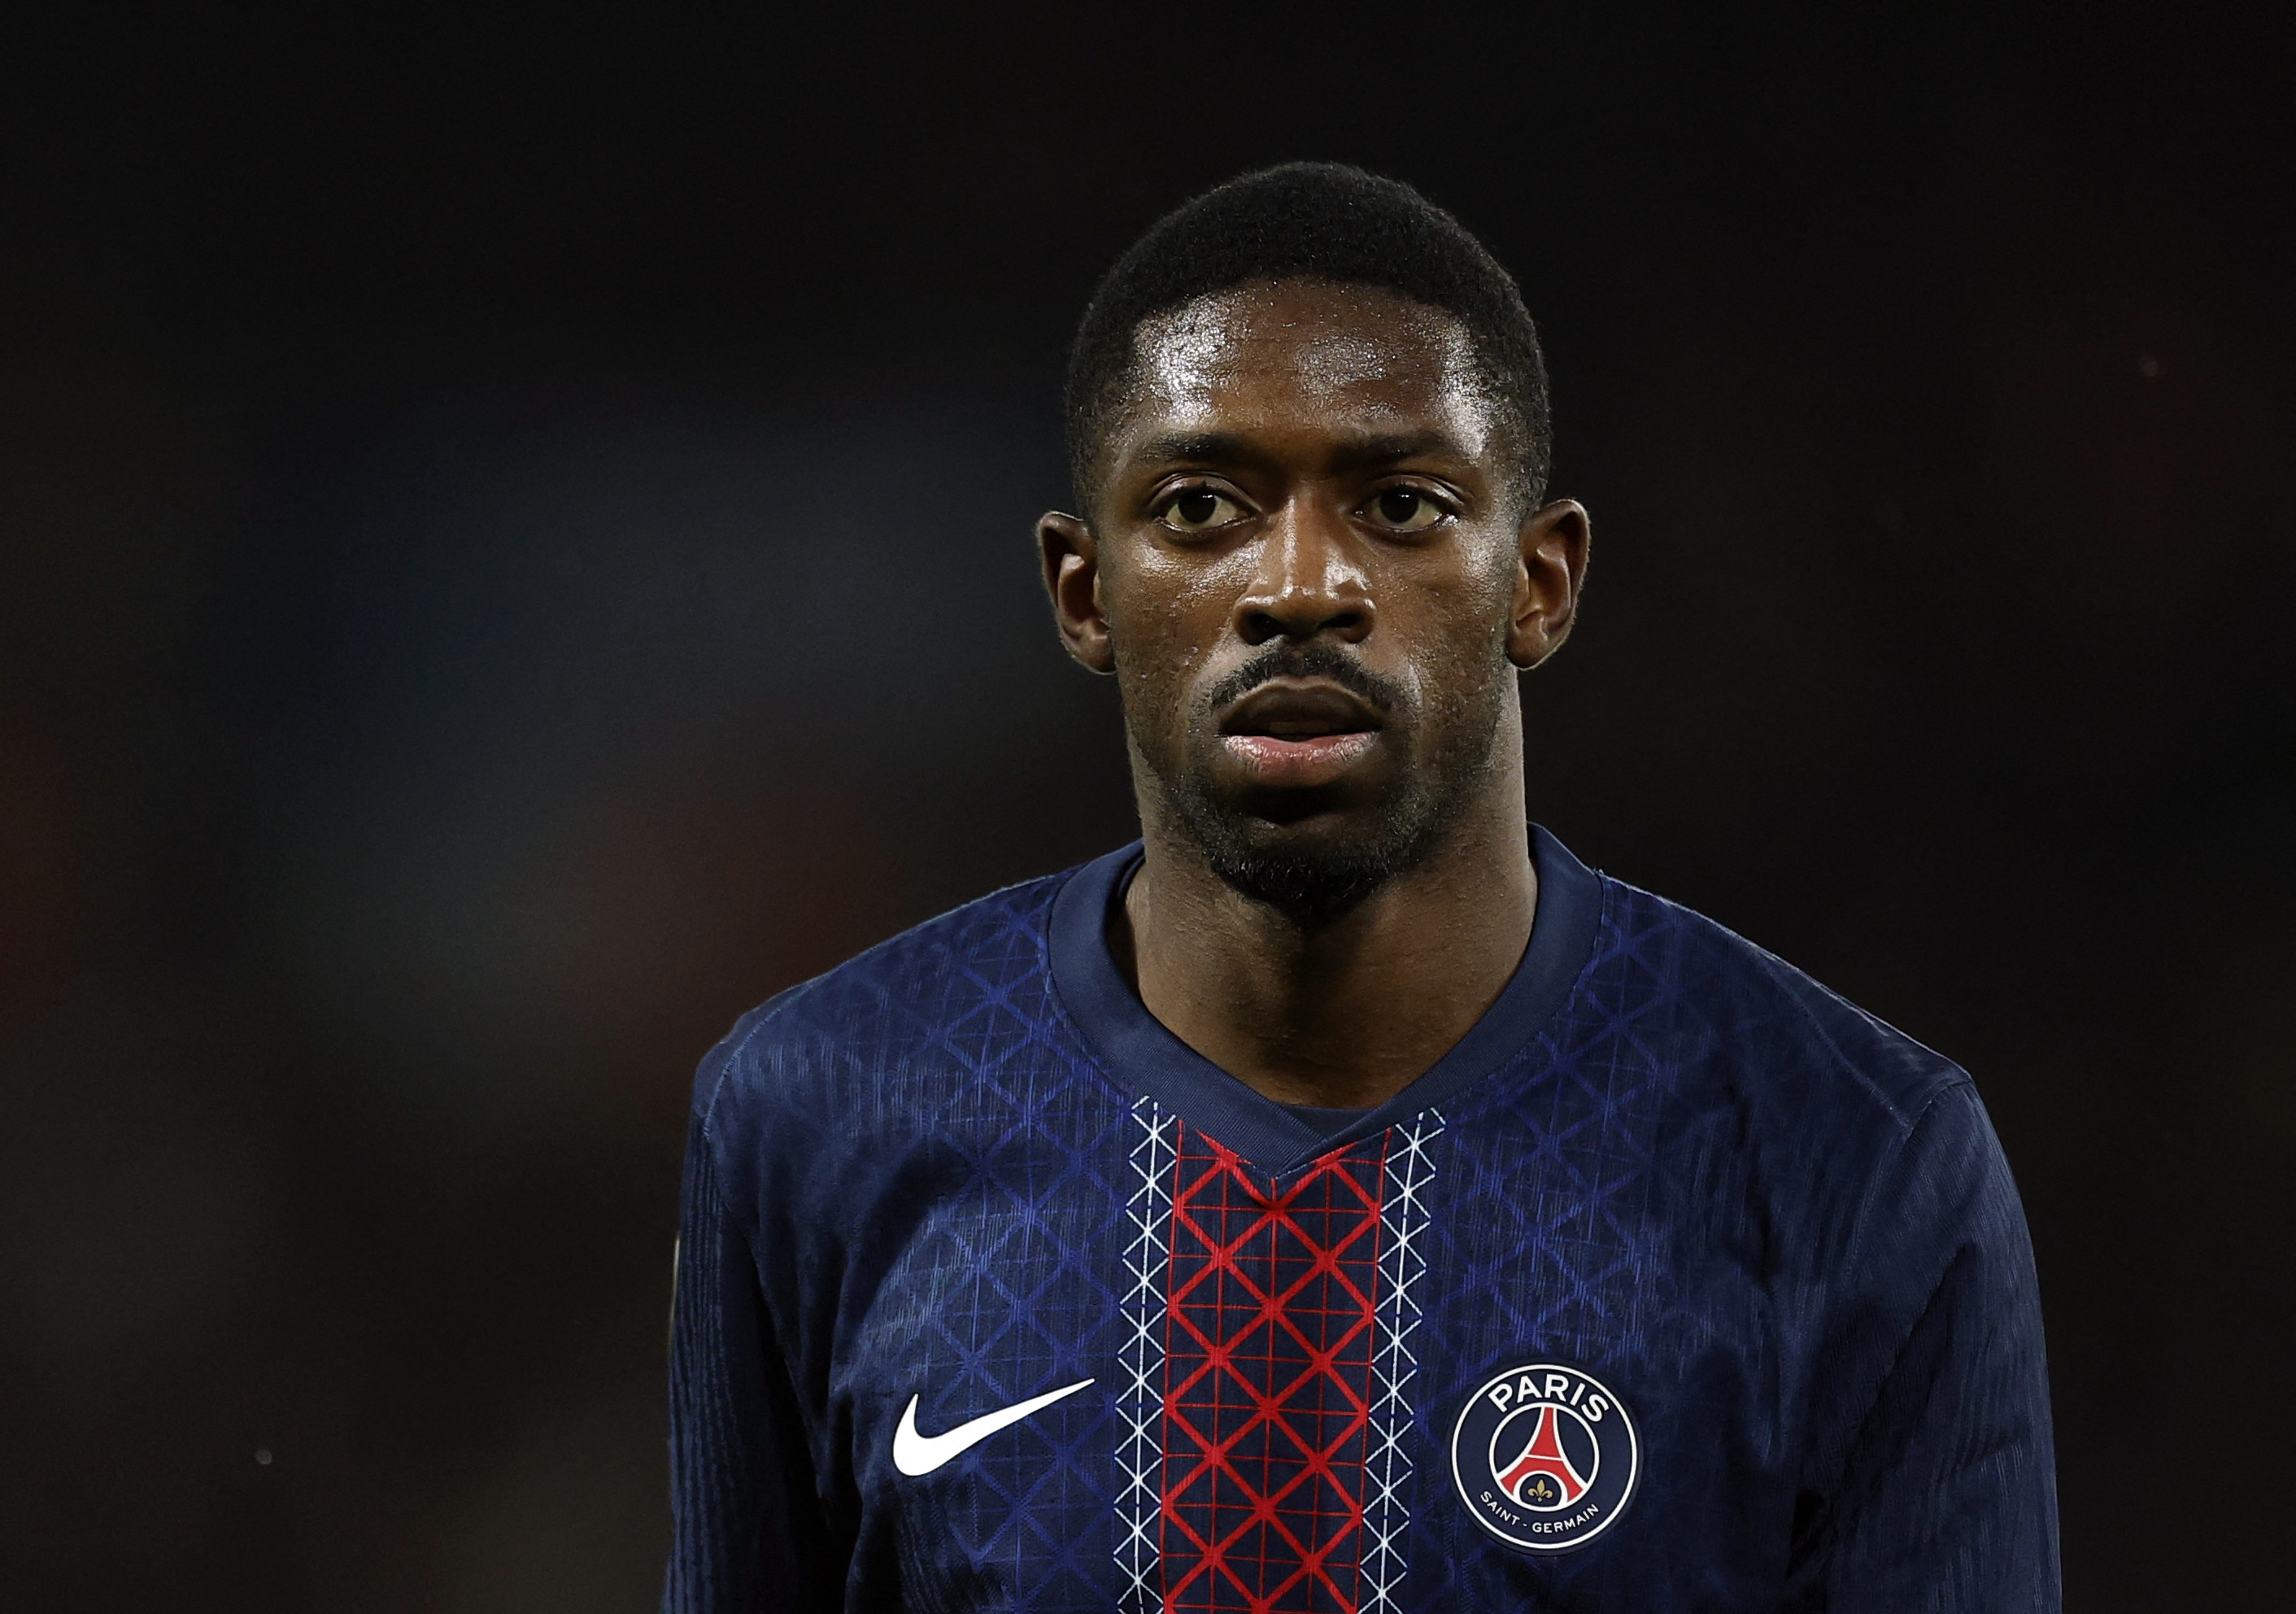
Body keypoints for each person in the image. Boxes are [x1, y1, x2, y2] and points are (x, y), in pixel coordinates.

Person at [664, 162, 2058, 1612]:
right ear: (1084, 592)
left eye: (1400, 502)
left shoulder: (1853, 1158)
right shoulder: (816, 1114)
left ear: (1541, 579)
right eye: (1201, 505)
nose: (1301, 583)